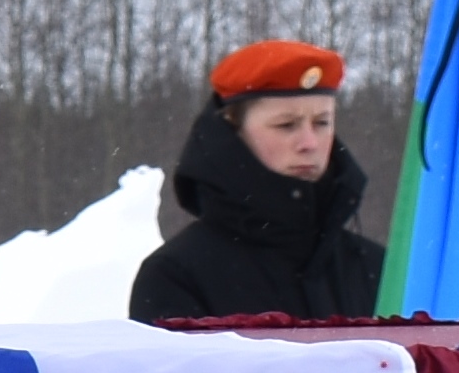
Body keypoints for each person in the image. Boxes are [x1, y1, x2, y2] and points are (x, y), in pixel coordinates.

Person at [126, 40, 385, 323]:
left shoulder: (379, 269)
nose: (309, 143)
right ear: (233, 133)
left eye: (322, 122)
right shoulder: (176, 276)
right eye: (286, 125)